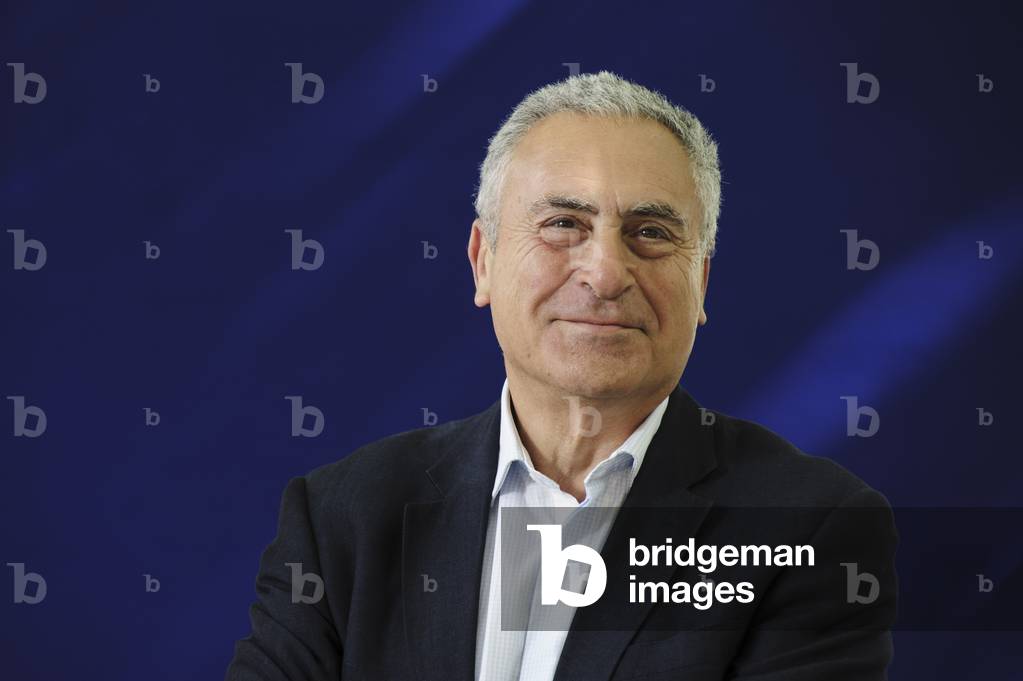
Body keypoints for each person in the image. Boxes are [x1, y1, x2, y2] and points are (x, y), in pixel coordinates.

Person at [226, 70, 897, 681]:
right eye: (563, 223)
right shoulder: (341, 516)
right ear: (482, 262)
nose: (604, 274)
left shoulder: (809, 530)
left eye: (650, 232)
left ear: (700, 280)